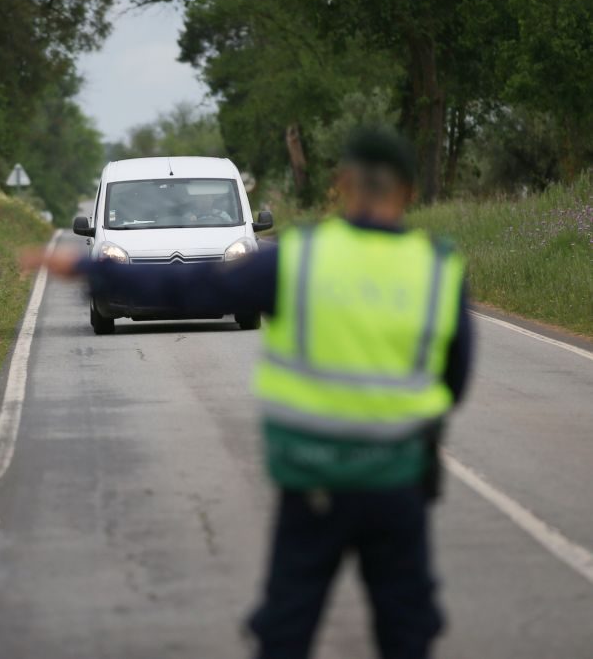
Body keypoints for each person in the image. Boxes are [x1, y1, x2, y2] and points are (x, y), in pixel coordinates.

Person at [28, 128, 473, 659]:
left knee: (288, 622)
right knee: (406, 628)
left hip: (314, 480)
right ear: (410, 191)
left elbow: (190, 288)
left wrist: (85, 266)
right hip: (398, 482)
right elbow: (454, 378)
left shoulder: (299, 259)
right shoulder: (439, 269)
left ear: (342, 184)